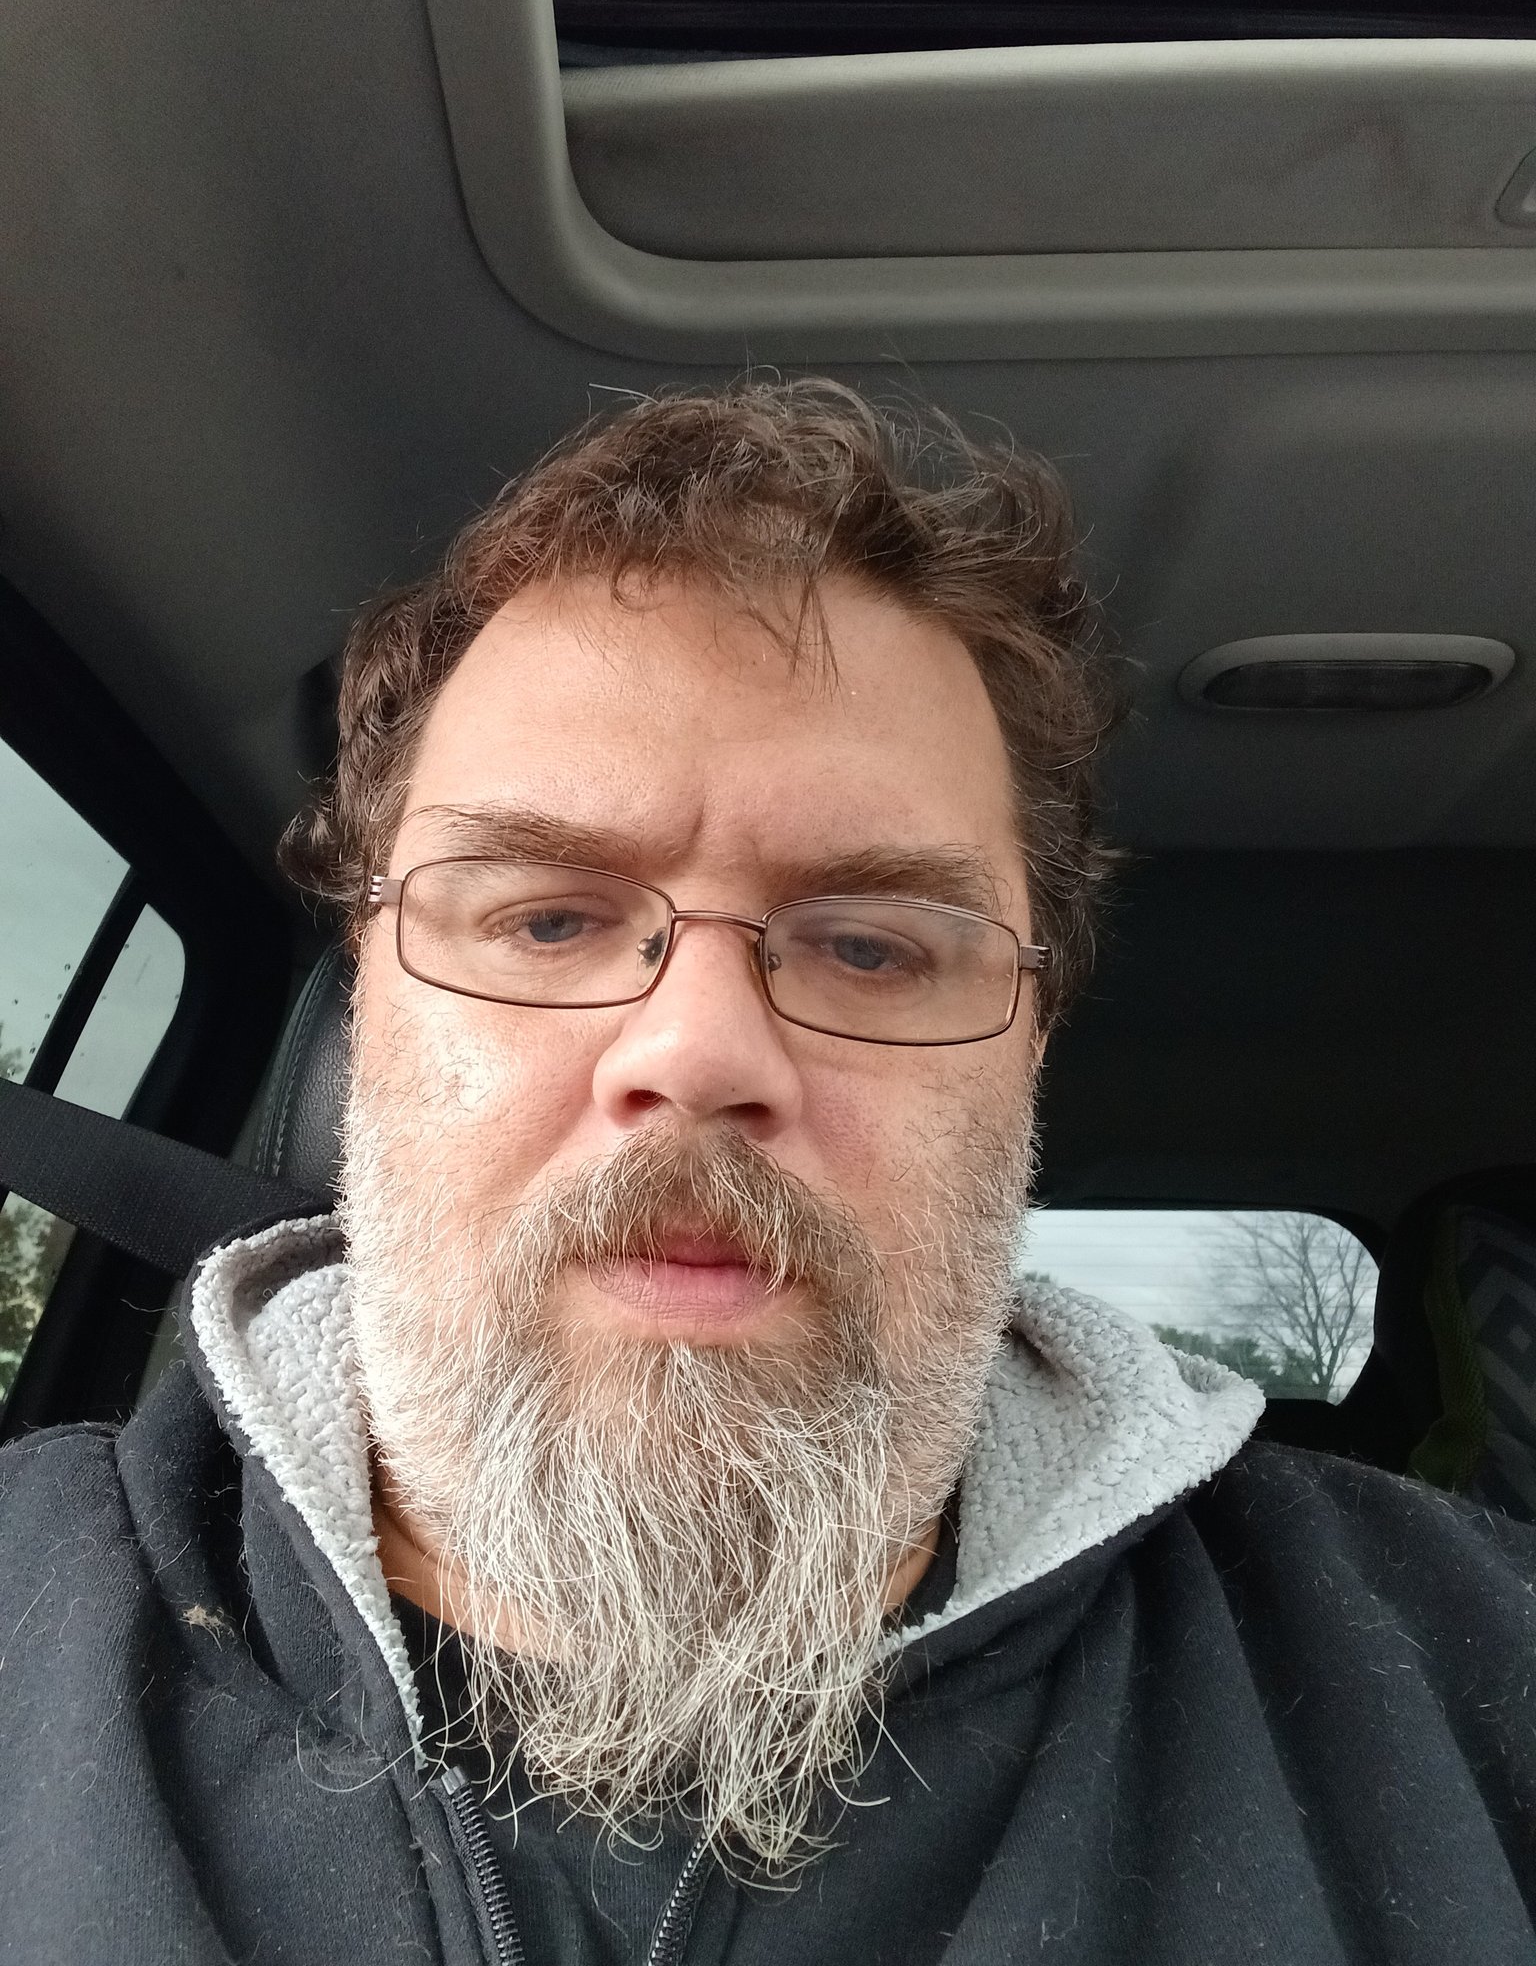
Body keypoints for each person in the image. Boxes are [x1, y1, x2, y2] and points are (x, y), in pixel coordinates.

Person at [1, 381, 1532, 1966]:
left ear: (1030, 1049)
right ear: (369, 1004)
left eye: (871, 946)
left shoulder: (1473, 1675)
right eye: (545, 918)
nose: (699, 1049)